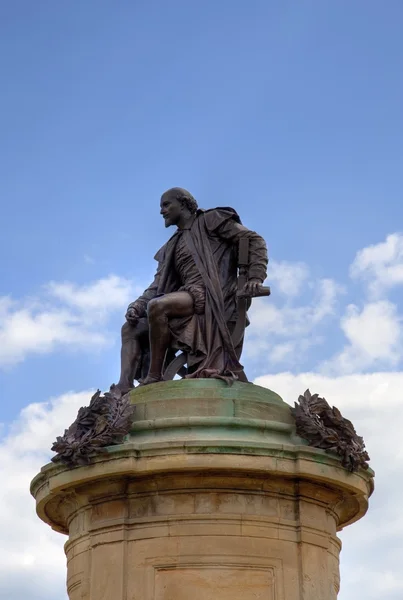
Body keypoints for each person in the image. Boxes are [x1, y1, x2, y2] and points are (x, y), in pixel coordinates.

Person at [113, 187, 268, 393]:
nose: (162, 211)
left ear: (184, 203)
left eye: (166, 205)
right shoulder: (171, 246)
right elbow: (157, 285)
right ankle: (123, 388)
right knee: (130, 328)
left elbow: (253, 240)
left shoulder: (211, 219)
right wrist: (137, 305)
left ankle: (154, 376)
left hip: (212, 296)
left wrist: (255, 277)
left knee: (158, 306)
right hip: (186, 299)